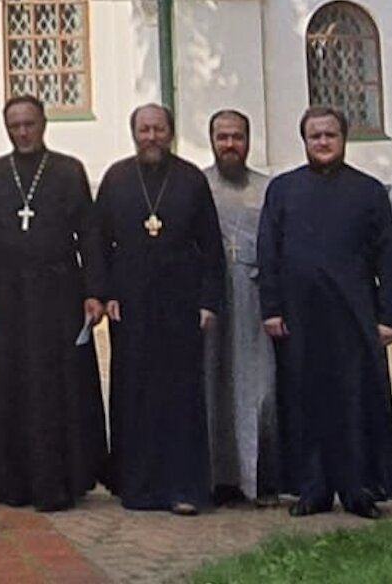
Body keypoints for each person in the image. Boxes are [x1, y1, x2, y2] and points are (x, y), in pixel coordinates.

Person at [260, 107, 392, 519]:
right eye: (315, 136)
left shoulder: (369, 191)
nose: (323, 142)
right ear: (304, 141)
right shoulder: (283, 189)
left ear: (344, 139)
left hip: (354, 315)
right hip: (299, 316)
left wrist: (386, 316)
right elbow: (267, 251)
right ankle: (312, 488)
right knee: (304, 400)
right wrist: (270, 308)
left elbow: (388, 259)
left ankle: (359, 487)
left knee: (355, 401)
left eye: (330, 135)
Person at [0, 94, 106, 512]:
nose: (23, 132)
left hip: (58, 294)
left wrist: (94, 291)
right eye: (15, 126)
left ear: (43, 123)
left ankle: (60, 481)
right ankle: (12, 483)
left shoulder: (68, 171)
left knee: (57, 388)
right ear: (6, 128)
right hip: (5, 295)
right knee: (10, 386)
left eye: (29, 124)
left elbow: (90, 234)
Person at [96, 103, 224, 515]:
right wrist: (105, 291)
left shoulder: (190, 180)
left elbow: (210, 247)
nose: (151, 137)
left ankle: (184, 488)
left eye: (159, 129)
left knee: (181, 395)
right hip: (130, 304)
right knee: (133, 393)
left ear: (171, 133)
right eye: (144, 129)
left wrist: (208, 300)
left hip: (181, 302)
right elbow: (98, 243)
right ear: (134, 134)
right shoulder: (116, 178)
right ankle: (138, 487)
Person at [204, 109, 282, 509]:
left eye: (237, 136)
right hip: (211, 301)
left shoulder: (268, 189)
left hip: (254, 297)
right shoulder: (198, 185)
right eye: (222, 137)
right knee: (214, 385)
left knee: (259, 387)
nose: (229, 144)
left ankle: (258, 478)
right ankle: (219, 478)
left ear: (248, 141)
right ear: (211, 140)